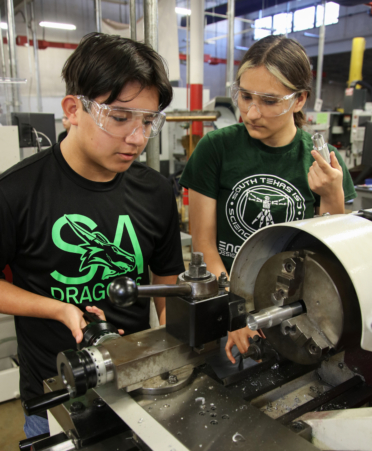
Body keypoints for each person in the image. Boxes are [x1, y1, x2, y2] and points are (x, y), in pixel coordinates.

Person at [0, 32, 185, 438]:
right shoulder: (15, 193)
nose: (136, 138)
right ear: (72, 110)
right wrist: (58, 309)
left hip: (138, 386)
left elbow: (166, 286)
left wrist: (177, 355)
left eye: (148, 121)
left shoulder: (154, 191)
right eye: (120, 118)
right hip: (54, 394)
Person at [180, 35, 356, 365]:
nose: (252, 112)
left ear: (300, 99)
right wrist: (236, 312)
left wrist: (333, 196)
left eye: (270, 101)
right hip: (228, 306)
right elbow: (204, 243)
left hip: (300, 313)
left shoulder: (322, 161)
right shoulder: (215, 149)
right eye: (245, 96)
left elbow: (329, 257)